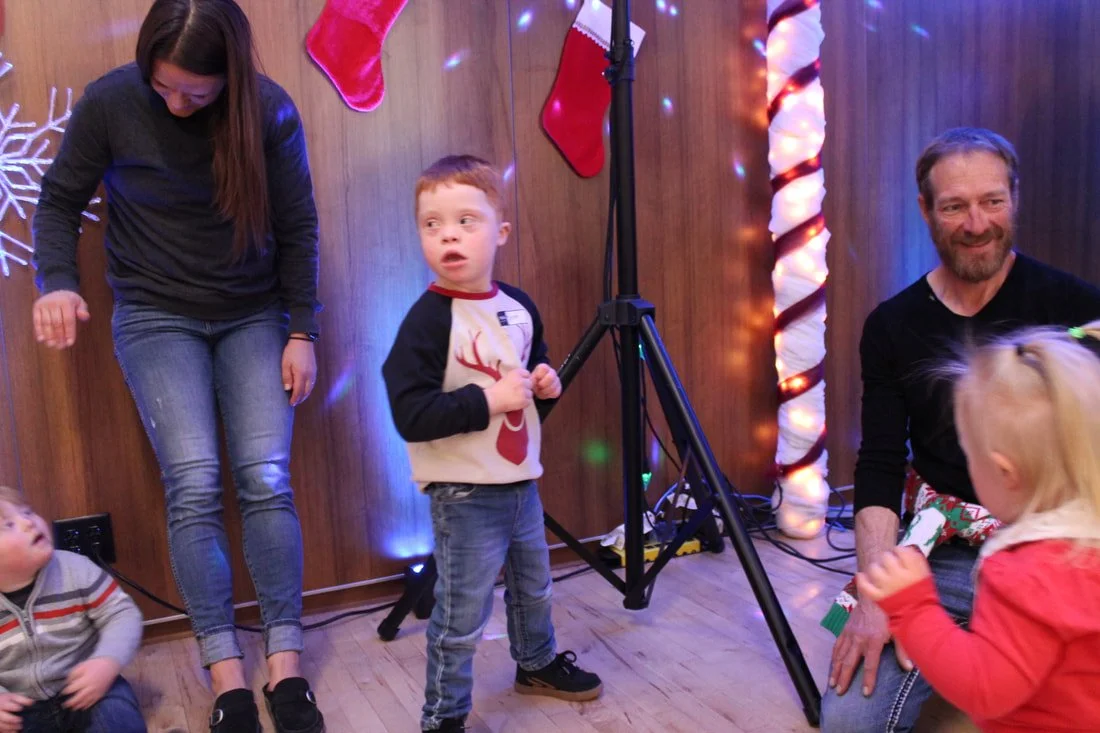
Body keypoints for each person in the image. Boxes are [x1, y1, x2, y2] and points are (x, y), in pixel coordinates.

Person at [30, 1, 324, 731]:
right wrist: (58, 281)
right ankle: (226, 674)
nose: (176, 103)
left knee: (265, 476)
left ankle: (287, 668)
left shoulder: (271, 113)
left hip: (254, 312)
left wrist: (303, 329)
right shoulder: (111, 102)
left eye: (196, 92)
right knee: (192, 483)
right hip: (155, 314)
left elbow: (299, 227)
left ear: (230, 75)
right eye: (163, 86)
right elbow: (60, 200)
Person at [820, 127, 1100, 732]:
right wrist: (875, 593)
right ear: (925, 209)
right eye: (954, 206)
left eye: (992, 201)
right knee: (848, 719)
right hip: (944, 547)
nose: (976, 223)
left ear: (1015, 198)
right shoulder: (891, 326)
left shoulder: (1077, 308)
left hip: (1064, 542)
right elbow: (879, 464)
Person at [382, 155, 603, 733]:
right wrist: (489, 400)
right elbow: (410, 412)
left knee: (534, 586)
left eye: (465, 221)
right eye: (432, 224)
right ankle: (444, 716)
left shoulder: (518, 307)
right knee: (461, 612)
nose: (448, 234)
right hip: (463, 493)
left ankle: (536, 663)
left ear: (500, 233)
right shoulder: (427, 321)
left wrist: (544, 385)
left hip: (520, 480)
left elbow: (527, 390)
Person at [857, 325, 1100, 731]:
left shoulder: (1024, 576)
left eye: (970, 454)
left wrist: (914, 606)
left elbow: (983, 687)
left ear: (1005, 472)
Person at [0, 486, 145, 733]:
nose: (28, 522)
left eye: (27, 512)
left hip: (87, 690)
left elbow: (122, 614)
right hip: (20, 709)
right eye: (8, 525)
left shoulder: (75, 569)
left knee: (117, 714)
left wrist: (106, 661)